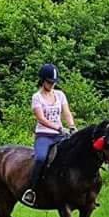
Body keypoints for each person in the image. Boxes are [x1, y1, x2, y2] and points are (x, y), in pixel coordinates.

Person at [22, 63, 76, 206]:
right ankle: (31, 190)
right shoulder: (37, 97)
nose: (52, 85)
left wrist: (72, 126)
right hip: (44, 135)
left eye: (54, 82)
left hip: (60, 135)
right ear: (42, 80)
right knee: (40, 159)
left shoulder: (60, 95)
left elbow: (67, 112)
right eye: (49, 82)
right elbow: (41, 119)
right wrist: (59, 128)